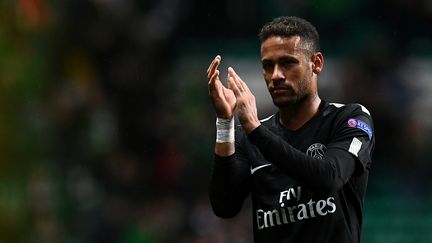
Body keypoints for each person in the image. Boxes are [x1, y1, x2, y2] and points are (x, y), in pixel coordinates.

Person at [206, 16, 375, 243]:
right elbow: (225, 207)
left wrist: (255, 130)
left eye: (287, 63)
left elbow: (329, 178)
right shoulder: (252, 136)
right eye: (268, 66)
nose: (276, 75)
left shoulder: (348, 118)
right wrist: (225, 123)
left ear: (316, 63)